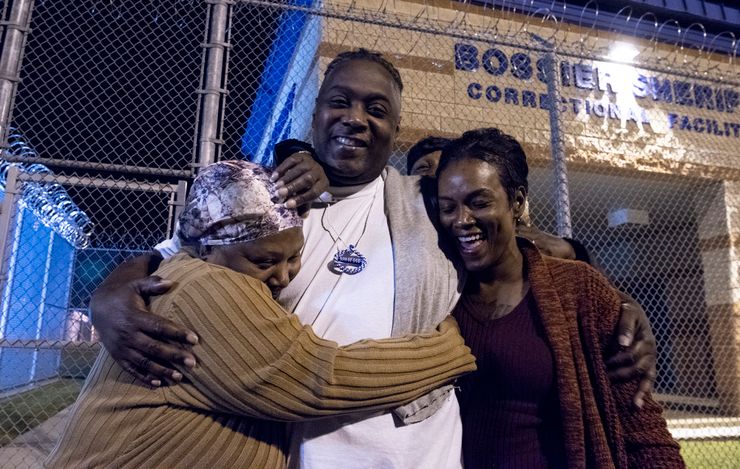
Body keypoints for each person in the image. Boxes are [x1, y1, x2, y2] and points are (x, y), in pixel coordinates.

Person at [90, 49, 658, 468]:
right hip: (297, 451)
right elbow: (176, 256)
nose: (356, 117)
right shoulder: (267, 203)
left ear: (394, 129)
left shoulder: (426, 204)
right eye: (340, 101)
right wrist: (110, 292)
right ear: (315, 114)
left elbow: (528, 245)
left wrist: (623, 302)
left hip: (424, 453)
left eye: (376, 108)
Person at [46, 160, 475, 468]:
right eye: (264, 260)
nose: (283, 277)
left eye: (294, 259)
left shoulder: (212, 272)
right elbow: (319, 379)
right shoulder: (205, 286)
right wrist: (448, 350)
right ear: (210, 246)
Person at [433, 128, 684, 469]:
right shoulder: (434, 296)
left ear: (517, 201)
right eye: (448, 207)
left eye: (479, 202)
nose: (461, 220)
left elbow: (643, 427)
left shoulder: (579, 289)